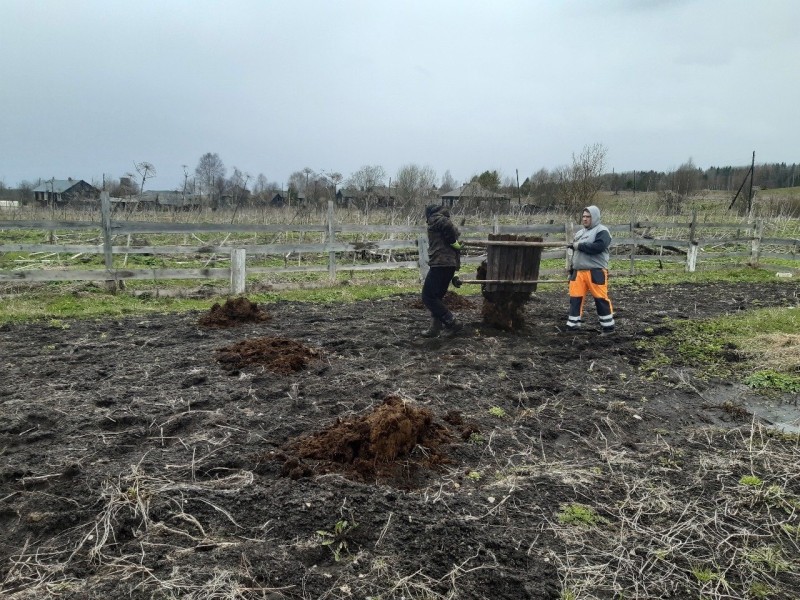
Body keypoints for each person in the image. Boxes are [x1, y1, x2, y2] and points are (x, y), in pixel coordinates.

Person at [566, 205, 615, 334]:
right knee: (575, 299)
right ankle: (573, 325)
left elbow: (599, 246)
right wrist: (572, 270)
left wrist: (580, 246)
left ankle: (608, 327)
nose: (585, 219)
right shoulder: (580, 233)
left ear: (595, 217)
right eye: (584, 216)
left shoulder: (602, 231)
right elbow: (575, 254)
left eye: (588, 217)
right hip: (578, 272)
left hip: (595, 271)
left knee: (600, 299)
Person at [421, 204, 464, 337]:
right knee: (437, 297)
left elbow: (447, 229)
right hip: (449, 264)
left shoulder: (437, 219)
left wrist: (453, 242)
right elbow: (455, 246)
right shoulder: (448, 222)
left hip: (440, 263)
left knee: (428, 296)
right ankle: (435, 328)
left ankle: (452, 322)